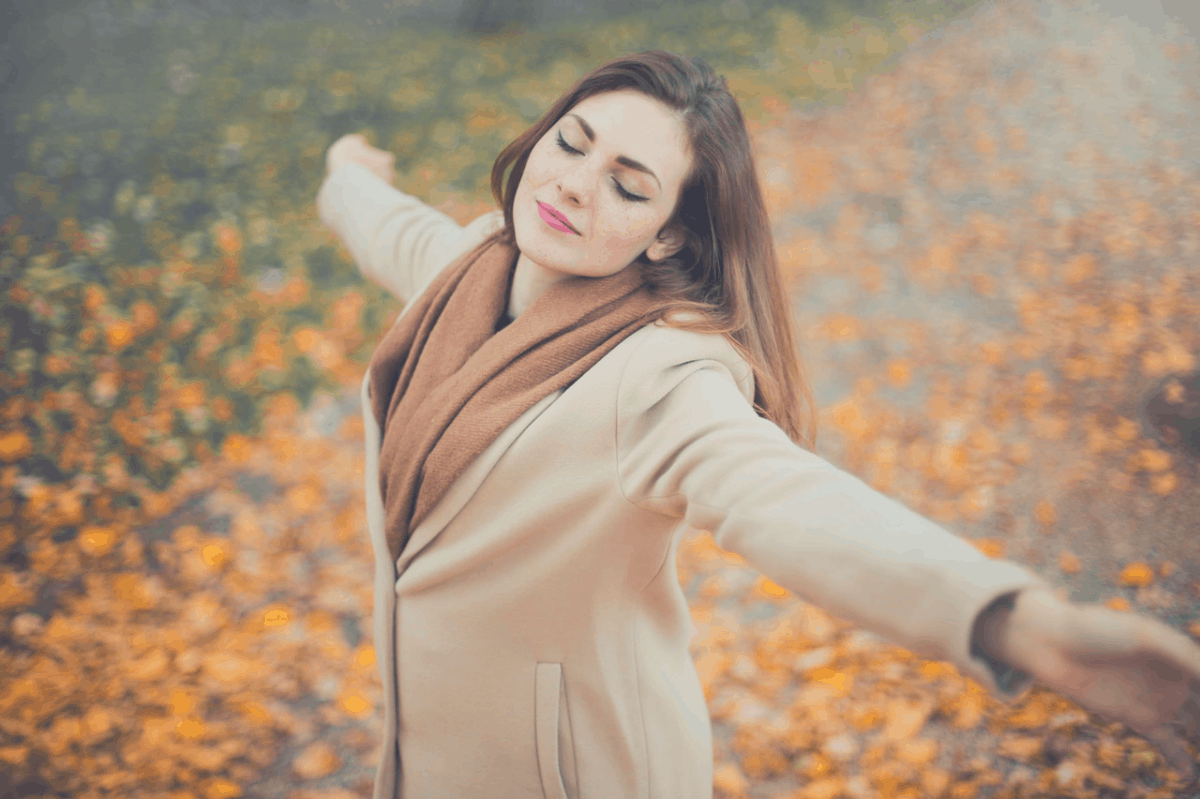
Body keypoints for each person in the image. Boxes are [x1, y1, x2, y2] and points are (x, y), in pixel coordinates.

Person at [317, 51, 1200, 799]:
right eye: (571, 143)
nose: (573, 187)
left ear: (667, 236)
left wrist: (1019, 624)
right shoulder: (467, 266)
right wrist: (348, 172)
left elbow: (789, 502)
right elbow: (391, 228)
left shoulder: (660, 375)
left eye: (629, 187)